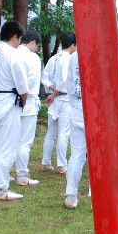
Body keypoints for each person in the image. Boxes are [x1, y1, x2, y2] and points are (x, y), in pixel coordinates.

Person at [0, 20, 29, 201]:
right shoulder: (13, 55)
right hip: (8, 103)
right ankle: (2, 189)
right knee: (7, 148)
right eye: (19, 39)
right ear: (15, 37)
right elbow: (22, 86)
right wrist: (24, 101)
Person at [41, 32, 76, 174]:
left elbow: (45, 77)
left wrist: (51, 89)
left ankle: (46, 161)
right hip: (63, 98)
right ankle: (61, 164)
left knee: (51, 132)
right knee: (63, 132)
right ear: (73, 45)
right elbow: (65, 82)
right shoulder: (69, 59)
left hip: (54, 97)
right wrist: (55, 92)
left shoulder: (53, 58)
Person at [14, 30, 43, 186]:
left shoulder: (13, 53)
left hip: (11, 101)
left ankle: (5, 173)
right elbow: (31, 81)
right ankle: (22, 175)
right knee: (25, 141)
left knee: (11, 140)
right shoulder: (33, 58)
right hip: (28, 101)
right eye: (36, 46)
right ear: (32, 42)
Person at [63, 48, 86, 209]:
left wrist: (75, 103)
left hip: (77, 107)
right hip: (96, 110)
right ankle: (95, 192)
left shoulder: (74, 56)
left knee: (76, 155)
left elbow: (70, 84)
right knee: (98, 156)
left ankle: (71, 195)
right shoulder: (101, 51)